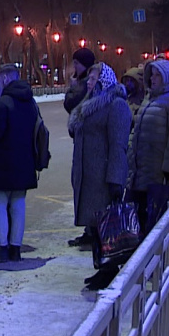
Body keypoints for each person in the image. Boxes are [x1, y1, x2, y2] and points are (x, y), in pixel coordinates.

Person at [67, 63, 132, 290]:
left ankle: (109, 270)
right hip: (88, 177)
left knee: (106, 228)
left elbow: (118, 146)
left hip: (103, 179)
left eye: (94, 79)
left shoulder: (116, 106)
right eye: (90, 79)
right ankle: (100, 268)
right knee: (95, 227)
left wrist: (116, 180)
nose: (90, 82)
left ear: (105, 80)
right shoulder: (89, 104)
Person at [0, 64, 40, 263]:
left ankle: (1, 247)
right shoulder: (30, 102)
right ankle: (15, 249)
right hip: (25, 162)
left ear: (4, 79)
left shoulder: (4, 103)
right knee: (18, 205)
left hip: (4, 163)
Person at [129, 59, 169, 231]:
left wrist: (168, 171)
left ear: (167, 78)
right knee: (137, 216)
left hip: (157, 171)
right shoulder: (149, 99)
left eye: (158, 76)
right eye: (151, 75)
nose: (153, 79)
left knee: (153, 220)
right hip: (139, 168)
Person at [65, 47, 97, 248]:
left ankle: (92, 230)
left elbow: (71, 103)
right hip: (82, 141)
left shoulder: (84, 85)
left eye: (77, 63)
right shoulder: (83, 82)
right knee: (81, 185)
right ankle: (88, 228)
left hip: (90, 144)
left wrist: (73, 87)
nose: (74, 66)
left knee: (88, 187)